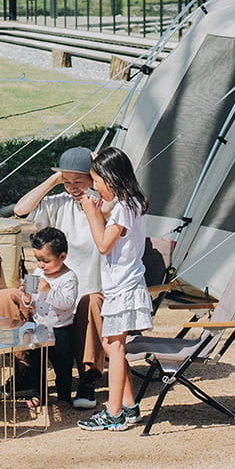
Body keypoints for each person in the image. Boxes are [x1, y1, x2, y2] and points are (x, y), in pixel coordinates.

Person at [0, 146, 107, 407]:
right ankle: (23, 372)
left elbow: (124, 201)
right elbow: (22, 209)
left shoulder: (106, 206)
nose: (73, 188)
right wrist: (57, 178)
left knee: (91, 302)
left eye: (78, 182)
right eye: (67, 182)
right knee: (6, 297)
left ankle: (88, 379)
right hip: (45, 292)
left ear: (94, 178)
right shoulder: (60, 203)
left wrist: (98, 172)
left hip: (86, 294)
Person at [76, 147, 153, 432]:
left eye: (96, 180)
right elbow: (105, 209)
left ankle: (114, 413)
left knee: (115, 347)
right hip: (124, 284)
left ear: (111, 179)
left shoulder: (123, 207)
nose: (94, 186)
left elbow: (103, 244)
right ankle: (130, 407)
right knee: (111, 345)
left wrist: (89, 214)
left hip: (124, 286)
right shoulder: (130, 201)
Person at [0, 227, 78, 406]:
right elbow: (30, 302)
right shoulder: (37, 274)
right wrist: (27, 297)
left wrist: (48, 290)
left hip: (62, 330)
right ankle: (39, 394)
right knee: (37, 364)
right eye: (37, 259)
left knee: (63, 366)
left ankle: (64, 396)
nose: (41, 265)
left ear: (62, 257)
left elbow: (67, 303)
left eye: (46, 260)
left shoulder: (69, 277)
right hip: (39, 327)